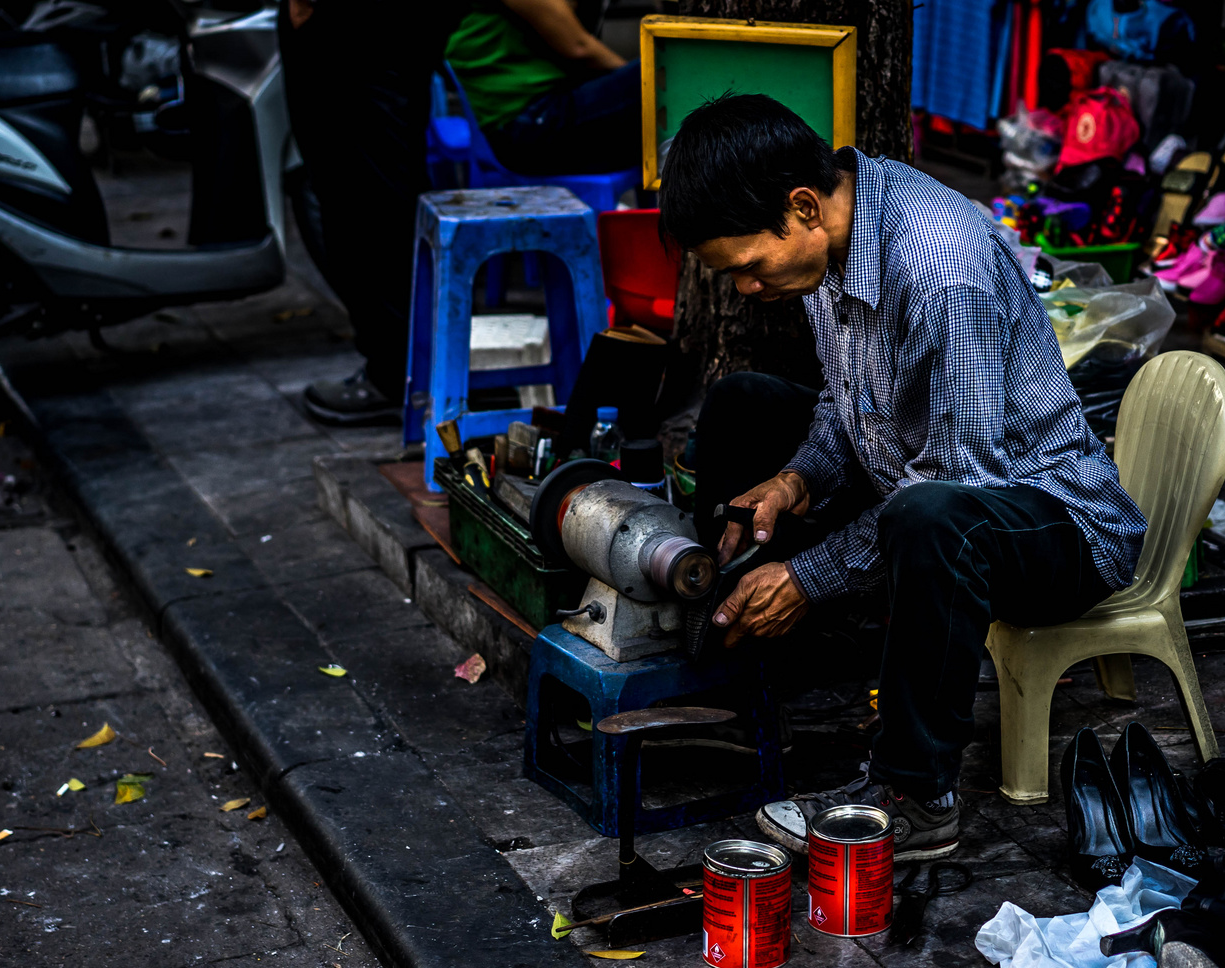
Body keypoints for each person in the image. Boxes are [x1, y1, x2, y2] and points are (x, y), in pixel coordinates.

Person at [661, 94, 1148, 861]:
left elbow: (962, 481)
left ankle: (913, 792)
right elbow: (847, 402)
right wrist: (794, 479)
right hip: (922, 475)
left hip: (1054, 521)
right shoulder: (833, 237)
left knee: (927, 521)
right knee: (743, 404)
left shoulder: (938, 267)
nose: (744, 291)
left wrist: (810, 576)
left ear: (802, 207)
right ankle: (756, 663)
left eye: (749, 268)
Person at [283, 0, 468, 426]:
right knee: (382, 182)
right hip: (393, 24)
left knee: (363, 192)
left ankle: (396, 375)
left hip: (358, 22)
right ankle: (413, 368)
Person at [445, 0, 642, 176]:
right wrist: (642, 82)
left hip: (534, 118)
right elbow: (579, 47)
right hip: (530, 126)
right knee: (657, 70)